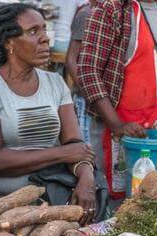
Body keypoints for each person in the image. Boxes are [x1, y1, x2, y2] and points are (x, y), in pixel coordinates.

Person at [0, 4, 105, 225]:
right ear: (9, 42)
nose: (45, 38)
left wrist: (87, 179)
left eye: (44, 29)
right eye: (33, 32)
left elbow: (75, 145)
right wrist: (60, 154)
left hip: (47, 198)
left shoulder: (55, 83)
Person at [76, 0, 157, 199]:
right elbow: (88, 70)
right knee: (120, 201)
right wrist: (116, 124)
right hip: (121, 131)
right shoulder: (112, 10)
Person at [66, 0, 96, 143]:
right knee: (86, 143)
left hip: (100, 96)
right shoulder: (86, 15)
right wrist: (87, 90)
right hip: (85, 95)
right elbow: (71, 59)